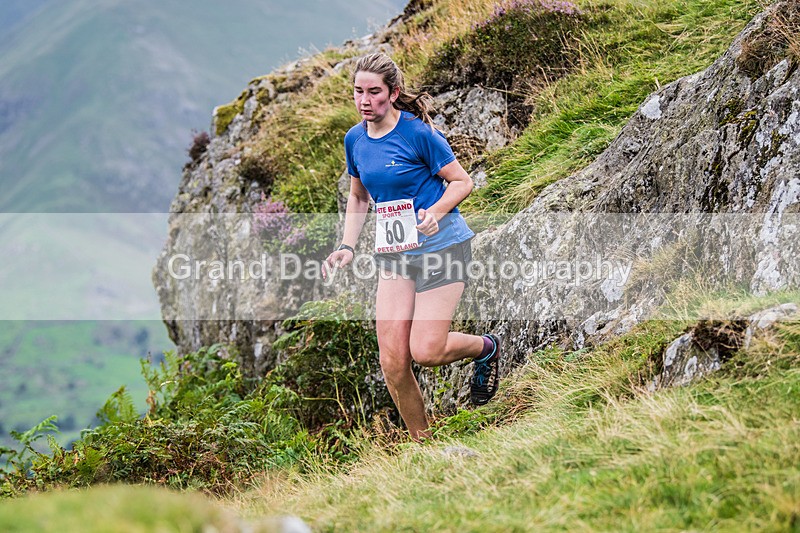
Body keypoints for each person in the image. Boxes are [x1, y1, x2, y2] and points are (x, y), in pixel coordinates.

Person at [324, 52, 501, 440]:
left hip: (444, 248)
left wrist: (436, 211)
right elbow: (358, 197)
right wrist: (347, 246)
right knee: (393, 361)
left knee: (427, 351)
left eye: (374, 92)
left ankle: (487, 348)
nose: (365, 101)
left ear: (394, 92)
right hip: (396, 255)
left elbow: (462, 181)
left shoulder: (417, 133)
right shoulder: (354, 139)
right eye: (358, 92)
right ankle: (425, 444)